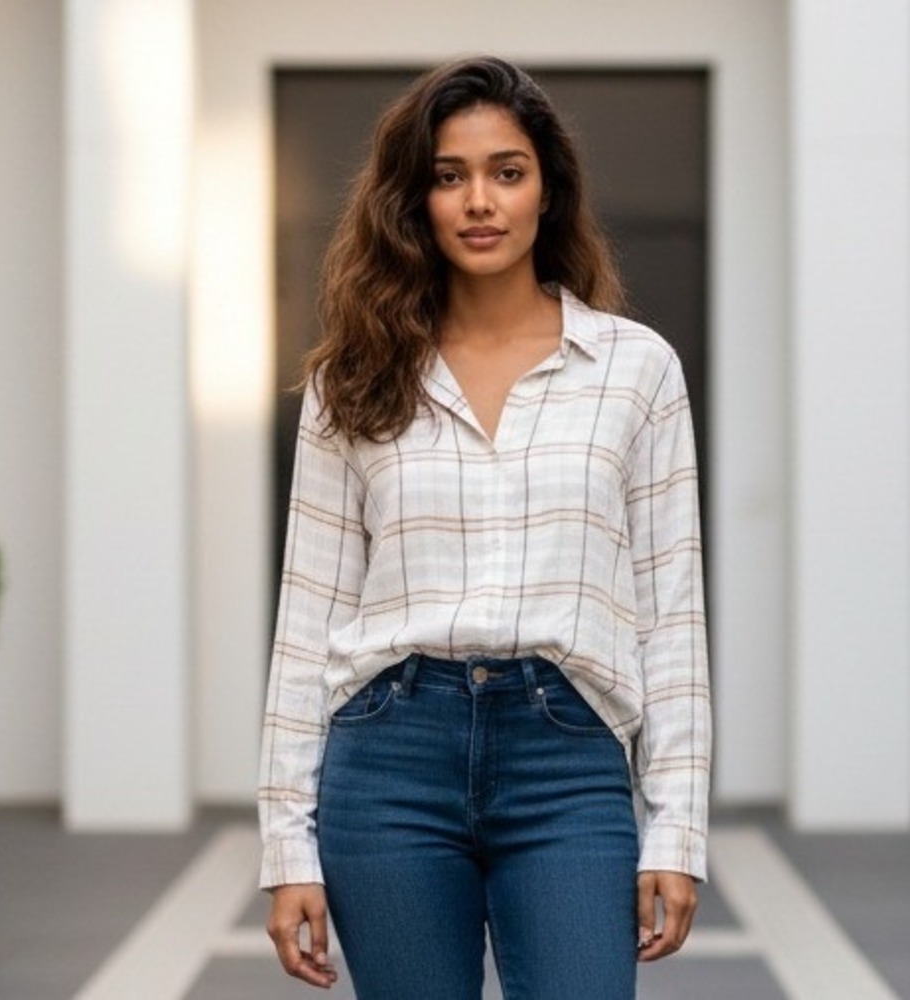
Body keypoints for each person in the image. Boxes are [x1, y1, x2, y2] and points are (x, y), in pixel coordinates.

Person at [259, 56, 711, 999]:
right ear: (413, 198)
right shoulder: (356, 377)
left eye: (507, 172)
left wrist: (677, 828)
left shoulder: (636, 371)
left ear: (549, 190)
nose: (480, 200)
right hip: (388, 760)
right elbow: (308, 619)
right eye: (448, 174)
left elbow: (671, 619)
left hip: (567, 757)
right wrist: (286, 844)